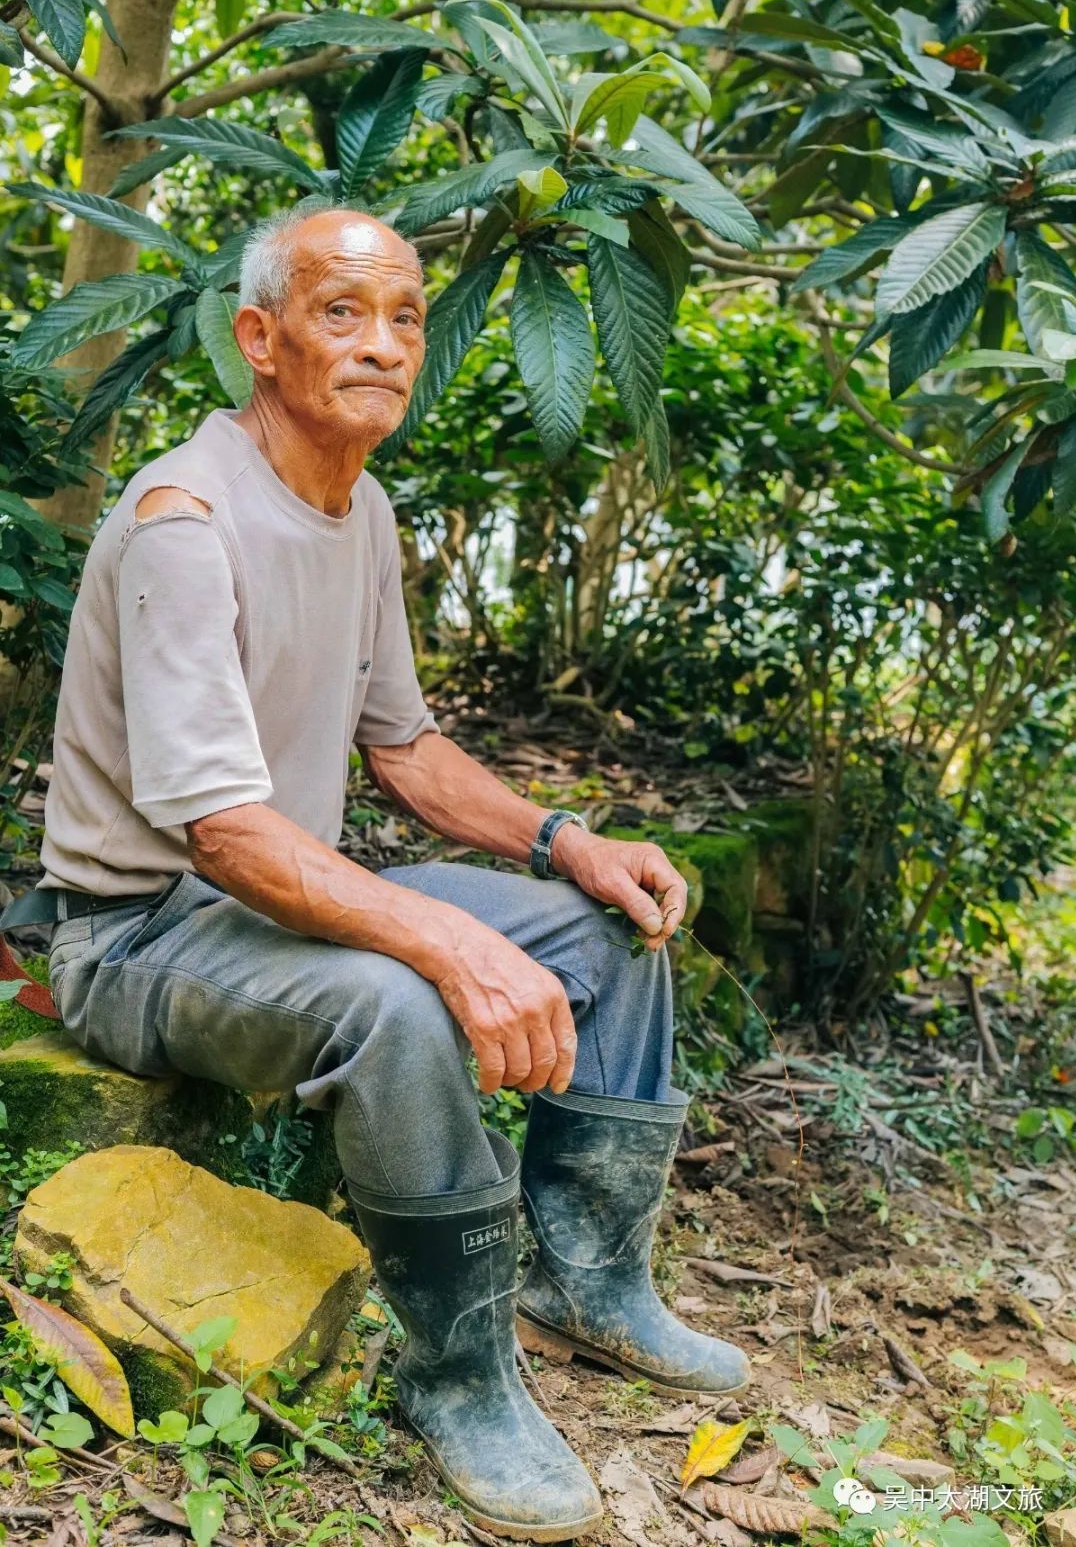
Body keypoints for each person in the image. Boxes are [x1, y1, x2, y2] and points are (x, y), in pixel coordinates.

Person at [8, 203, 749, 1541]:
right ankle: (455, 1375)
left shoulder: (362, 505)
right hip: (133, 940)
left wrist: (567, 842)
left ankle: (588, 1279)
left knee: (609, 920)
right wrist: (445, 945)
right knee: (400, 1000)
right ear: (259, 338)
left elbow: (403, 745)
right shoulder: (187, 520)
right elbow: (224, 832)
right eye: (342, 312)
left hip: (263, 908)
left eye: (406, 316)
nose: (386, 345)